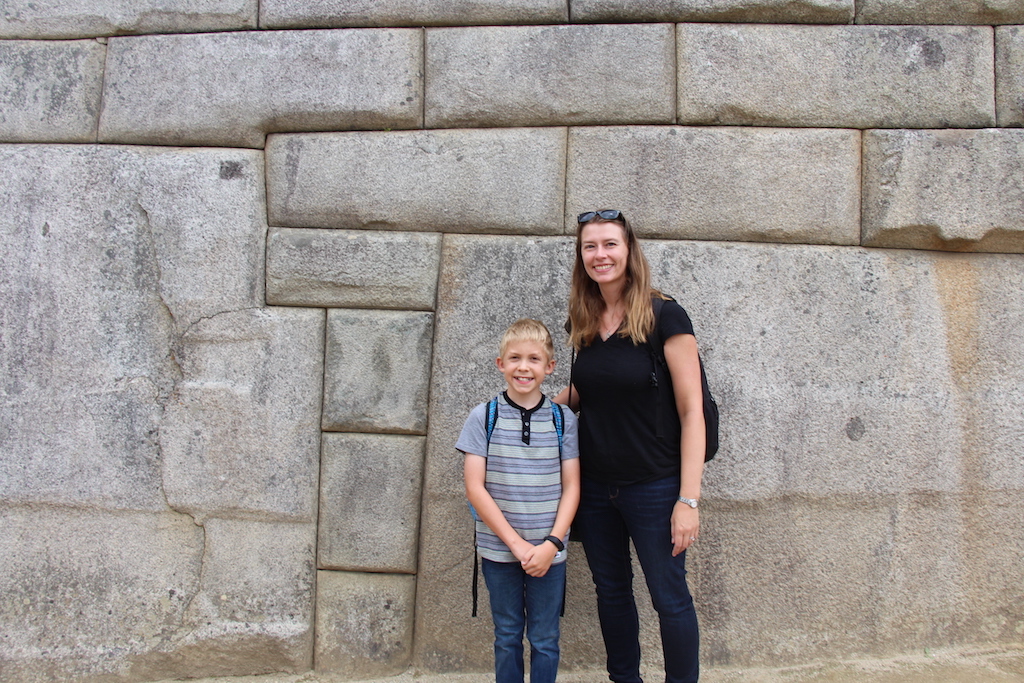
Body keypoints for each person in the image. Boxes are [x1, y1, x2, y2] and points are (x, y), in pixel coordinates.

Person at [554, 210, 706, 683]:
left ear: (629, 251)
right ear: (582, 258)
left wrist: (688, 499)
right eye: (590, 247)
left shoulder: (665, 315)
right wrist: (525, 410)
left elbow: (691, 411)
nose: (600, 255)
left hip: (655, 486)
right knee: (611, 593)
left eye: (609, 244)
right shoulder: (583, 318)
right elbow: (584, 393)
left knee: (668, 596)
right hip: (596, 488)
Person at [458, 318, 582, 683]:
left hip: (549, 552)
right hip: (499, 551)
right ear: (501, 364)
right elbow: (475, 488)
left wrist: (551, 544)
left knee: (545, 638)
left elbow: (572, 487)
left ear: (550, 367)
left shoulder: (563, 420)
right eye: (514, 358)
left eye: (533, 359)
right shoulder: (484, 418)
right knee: (507, 635)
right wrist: (515, 545)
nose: (523, 367)